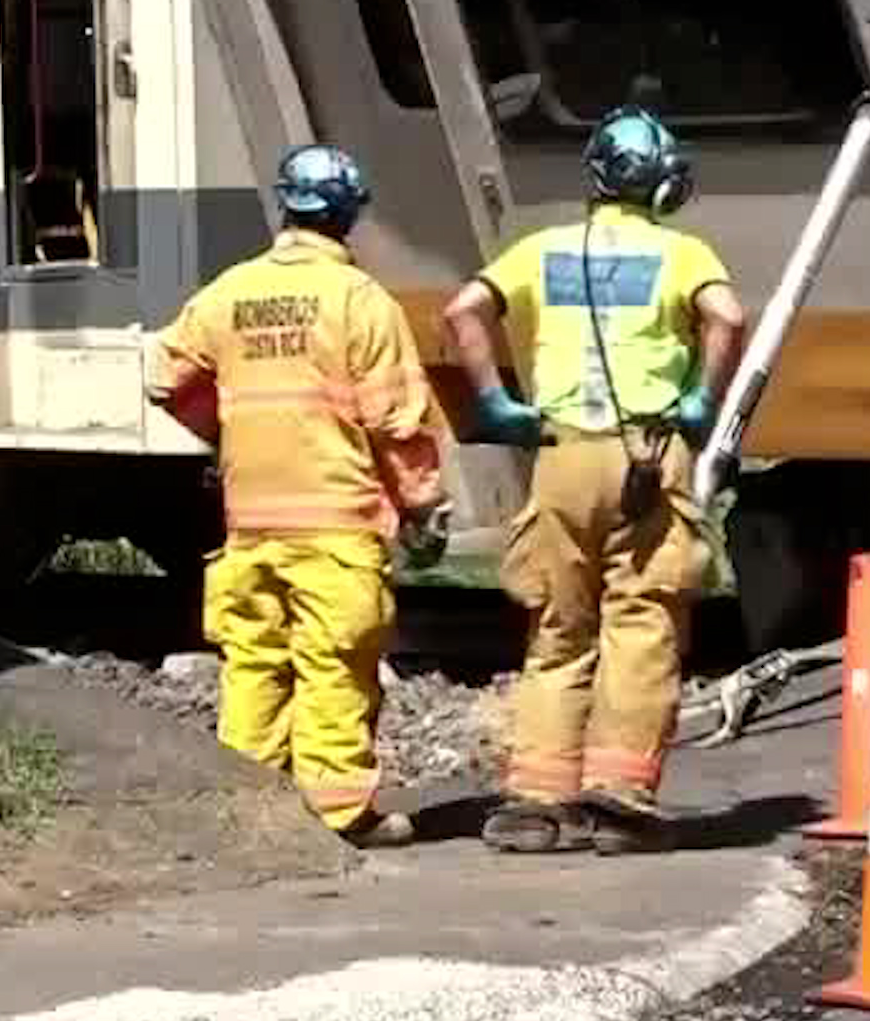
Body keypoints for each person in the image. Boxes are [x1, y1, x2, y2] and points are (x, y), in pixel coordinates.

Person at [442, 106, 747, 854]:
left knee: (557, 626)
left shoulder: (543, 250)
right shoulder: (681, 254)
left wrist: (497, 402)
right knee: (642, 619)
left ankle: (534, 803)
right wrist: (703, 400)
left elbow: (462, 311)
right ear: (663, 183)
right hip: (647, 450)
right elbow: (728, 318)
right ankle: (618, 797)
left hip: (561, 451)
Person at [147, 145, 450, 849]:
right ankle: (340, 815)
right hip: (333, 525)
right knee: (333, 665)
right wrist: (421, 505)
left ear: (286, 206)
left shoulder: (229, 292)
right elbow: (396, 420)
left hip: (249, 524)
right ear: (348, 214)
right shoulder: (359, 301)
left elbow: (165, 377)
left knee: (252, 666)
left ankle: (245, 812)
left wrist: (224, 432)